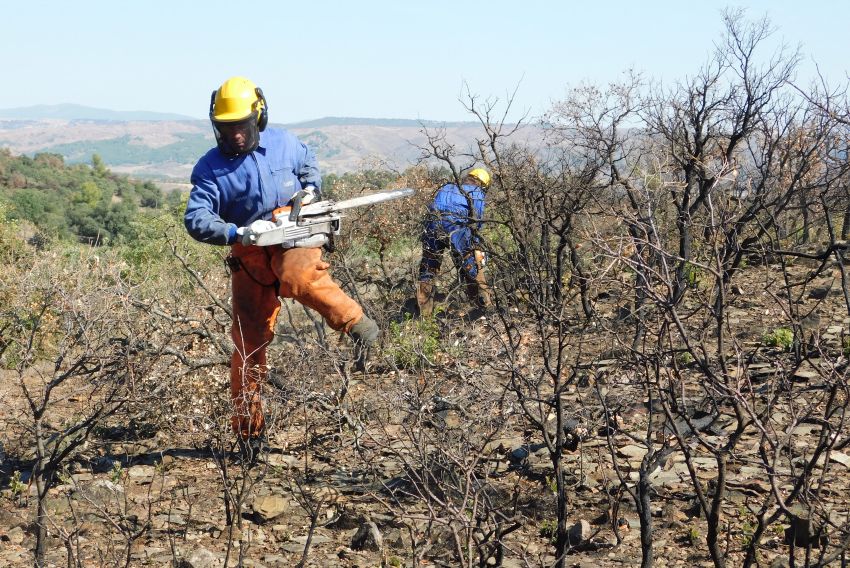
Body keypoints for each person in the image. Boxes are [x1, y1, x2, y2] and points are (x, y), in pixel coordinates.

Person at [184, 76, 379, 448]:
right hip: (250, 252)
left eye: (240, 126)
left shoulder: (287, 144)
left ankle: (361, 327)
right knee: (247, 344)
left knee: (298, 275)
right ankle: (248, 432)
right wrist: (235, 234)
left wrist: (309, 190)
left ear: (258, 117)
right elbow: (197, 218)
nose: (235, 136)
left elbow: (309, 165)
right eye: (226, 128)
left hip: (294, 234)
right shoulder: (209, 168)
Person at [416, 168, 493, 316]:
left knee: (428, 269)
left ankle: (424, 315)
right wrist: (474, 244)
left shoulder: (448, 186)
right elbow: (477, 222)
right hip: (456, 228)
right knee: (473, 263)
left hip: (432, 227)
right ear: (483, 185)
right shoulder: (477, 193)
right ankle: (483, 306)